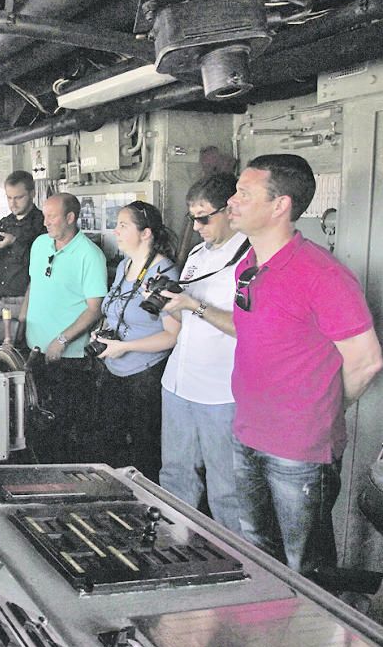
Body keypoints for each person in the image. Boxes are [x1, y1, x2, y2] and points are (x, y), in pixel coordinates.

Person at [227, 154, 382, 573]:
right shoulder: (248, 265)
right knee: (258, 554)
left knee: (305, 566)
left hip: (300, 447)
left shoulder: (323, 275)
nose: (232, 201)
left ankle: (310, 637)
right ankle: (267, 632)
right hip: (248, 432)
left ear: (280, 205)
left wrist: (327, 407)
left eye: (244, 192)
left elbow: (366, 360)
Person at [158, 175, 247, 535]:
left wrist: (193, 306)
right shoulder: (197, 254)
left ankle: (241, 561)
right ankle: (176, 544)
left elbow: (247, 327)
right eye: (192, 218)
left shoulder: (248, 257)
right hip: (179, 380)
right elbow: (187, 312)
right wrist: (169, 304)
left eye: (204, 218)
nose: (196, 227)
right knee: (175, 475)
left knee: (227, 488)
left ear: (229, 210)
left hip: (219, 390)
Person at [92, 201, 178, 482]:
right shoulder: (124, 266)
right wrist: (102, 332)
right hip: (114, 371)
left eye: (123, 225)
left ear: (146, 233)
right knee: (109, 444)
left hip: (146, 376)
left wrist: (126, 347)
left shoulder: (164, 274)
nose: (115, 231)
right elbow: (114, 310)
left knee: (145, 450)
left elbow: (172, 336)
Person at [18, 193, 107, 463]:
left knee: (63, 429)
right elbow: (34, 285)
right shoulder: (40, 244)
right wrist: (21, 324)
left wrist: (62, 340)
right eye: (44, 215)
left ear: (71, 218)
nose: (45, 222)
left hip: (68, 359)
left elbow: (94, 308)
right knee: (35, 423)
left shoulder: (90, 255)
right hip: (34, 351)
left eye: (52, 216)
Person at [0, 170, 46, 318]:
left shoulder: (43, 223)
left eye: (18, 197)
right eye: (9, 197)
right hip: (0, 299)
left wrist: (14, 242)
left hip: (28, 300)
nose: (13, 203)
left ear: (32, 193)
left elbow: (41, 262)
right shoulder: (5, 222)